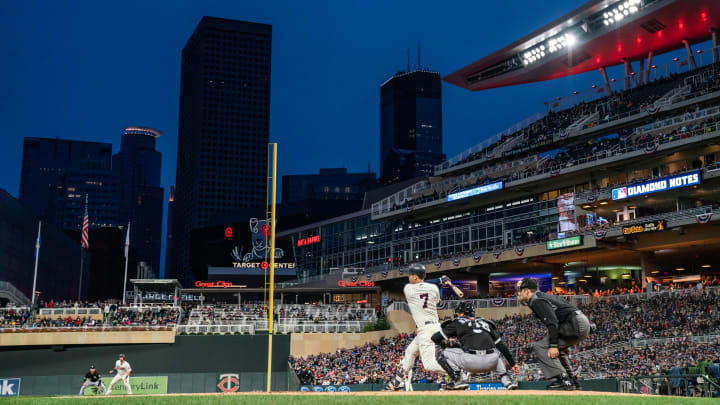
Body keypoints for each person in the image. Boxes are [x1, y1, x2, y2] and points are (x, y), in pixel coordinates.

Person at [516, 278, 592, 390]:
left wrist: (553, 345)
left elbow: (552, 322)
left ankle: (563, 380)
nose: (519, 292)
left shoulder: (536, 300)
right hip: (578, 322)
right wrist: (562, 344)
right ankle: (572, 380)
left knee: (540, 346)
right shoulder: (543, 296)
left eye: (521, 290)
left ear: (527, 291)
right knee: (556, 350)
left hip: (574, 323)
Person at [431, 302, 520, 390]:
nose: (458, 315)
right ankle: (506, 380)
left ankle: (459, 379)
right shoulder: (486, 324)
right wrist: (513, 364)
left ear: (462, 313)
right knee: (496, 350)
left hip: (470, 362)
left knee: (441, 354)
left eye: (458, 313)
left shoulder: (458, 322)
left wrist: (448, 344)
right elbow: (502, 346)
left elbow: (435, 338)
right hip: (491, 363)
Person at [386, 264, 448, 391]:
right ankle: (397, 383)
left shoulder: (408, 288)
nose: (409, 277)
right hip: (432, 327)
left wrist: (439, 280)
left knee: (429, 365)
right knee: (410, 352)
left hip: (426, 329)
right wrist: (441, 281)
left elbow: (422, 286)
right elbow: (438, 301)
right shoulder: (433, 288)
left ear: (415, 276)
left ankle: (458, 373)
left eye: (410, 275)